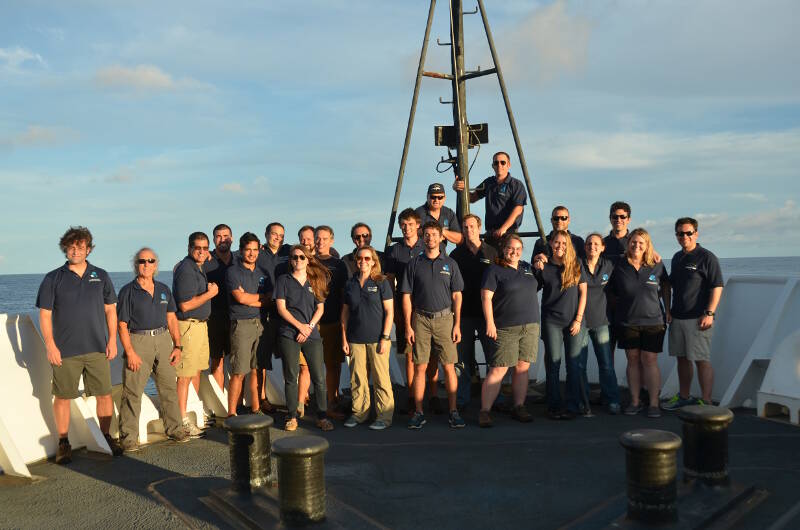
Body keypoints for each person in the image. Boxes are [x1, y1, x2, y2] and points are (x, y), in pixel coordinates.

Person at [36, 226, 123, 463]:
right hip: (65, 351)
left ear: (88, 249)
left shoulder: (101, 275)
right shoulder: (53, 278)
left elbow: (110, 310)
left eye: (81, 247)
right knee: (63, 397)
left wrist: (112, 340)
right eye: (71, 247)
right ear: (65, 248)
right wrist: (50, 345)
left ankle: (105, 436)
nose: (76, 251)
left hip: (97, 348)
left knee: (105, 395)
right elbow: (45, 314)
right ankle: (63, 442)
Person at [117, 248, 189, 452]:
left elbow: (172, 318)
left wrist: (178, 345)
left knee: (168, 387)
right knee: (133, 391)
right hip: (138, 340)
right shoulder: (127, 292)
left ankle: (175, 429)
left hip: (164, 339)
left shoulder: (164, 289)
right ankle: (128, 438)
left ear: (156, 265)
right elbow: (122, 325)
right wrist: (129, 351)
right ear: (135, 265)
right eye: (142, 261)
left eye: (150, 261)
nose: (146, 265)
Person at [400, 221, 465, 429]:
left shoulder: (450, 264)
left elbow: (457, 295)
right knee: (420, 366)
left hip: (446, 320)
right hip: (420, 319)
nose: (430, 238)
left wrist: (457, 324)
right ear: (422, 237)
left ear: (441, 237)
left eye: (434, 235)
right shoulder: (414, 264)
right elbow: (406, 296)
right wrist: (409, 326)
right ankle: (419, 412)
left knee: (449, 367)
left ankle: (453, 412)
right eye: (426, 235)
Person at [608, 228, 670, 418]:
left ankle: (653, 403)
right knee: (633, 360)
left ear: (647, 245)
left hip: (653, 321)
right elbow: (610, 290)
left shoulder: (657, 265)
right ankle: (635, 401)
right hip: (628, 322)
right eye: (633, 242)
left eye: (641, 243)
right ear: (628, 244)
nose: (637, 245)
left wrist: (668, 310)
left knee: (650, 360)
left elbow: (666, 286)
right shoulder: (618, 264)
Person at [662, 218, 723, 410]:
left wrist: (710, 313)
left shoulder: (707, 257)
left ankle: (706, 401)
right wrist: (669, 311)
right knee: (682, 359)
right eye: (680, 233)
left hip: (698, 318)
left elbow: (717, 286)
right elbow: (669, 283)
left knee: (701, 359)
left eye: (688, 233)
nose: (685, 236)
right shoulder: (677, 258)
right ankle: (685, 396)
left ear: (696, 233)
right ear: (676, 236)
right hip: (678, 318)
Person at [479, 234, 540, 427]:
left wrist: (541, 263)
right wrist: (490, 323)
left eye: (518, 248)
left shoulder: (527, 268)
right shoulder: (494, 270)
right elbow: (486, 298)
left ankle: (519, 406)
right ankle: (485, 411)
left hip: (529, 325)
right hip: (505, 327)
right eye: (510, 248)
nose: (514, 252)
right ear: (503, 249)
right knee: (499, 369)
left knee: (522, 368)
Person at [384, 208, 440, 414]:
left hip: (428, 306)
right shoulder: (394, 250)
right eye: (403, 224)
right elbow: (389, 280)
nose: (406, 228)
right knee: (410, 354)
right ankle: (411, 396)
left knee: (433, 354)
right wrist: (395, 309)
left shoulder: (428, 246)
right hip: (404, 305)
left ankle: (433, 395)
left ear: (418, 225)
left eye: (410, 224)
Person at [274, 245, 334, 432]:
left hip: (311, 334)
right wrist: (299, 326)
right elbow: (281, 308)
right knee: (291, 377)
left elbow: (320, 308)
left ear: (308, 259)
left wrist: (308, 328)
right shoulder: (283, 280)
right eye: (294, 257)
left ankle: (322, 416)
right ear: (290, 260)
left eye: (301, 257)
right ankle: (292, 416)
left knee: (318, 377)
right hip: (289, 334)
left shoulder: (316, 280)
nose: (298, 260)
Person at [533, 230, 587, 420]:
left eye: (564, 243)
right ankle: (554, 406)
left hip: (573, 322)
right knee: (553, 365)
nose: (560, 246)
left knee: (573, 365)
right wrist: (536, 265)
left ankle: (573, 405)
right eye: (557, 243)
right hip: (551, 322)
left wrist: (578, 319)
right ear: (551, 244)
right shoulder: (544, 266)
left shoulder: (576, 265)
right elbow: (532, 286)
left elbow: (583, 293)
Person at [341, 246, 395, 429]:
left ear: (373, 261)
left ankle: (384, 416)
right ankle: (359, 413)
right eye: (359, 259)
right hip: (355, 339)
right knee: (357, 379)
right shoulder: (350, 284)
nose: (363, 262)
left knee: (381, 378)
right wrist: (344, 339)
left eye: (367, 258)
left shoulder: (382, 282)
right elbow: (345, 314)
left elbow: (389, 312)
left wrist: (385, 337)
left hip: (377, 338)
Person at [449, 214, 497, 411]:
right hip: (464, 315)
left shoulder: (493, 252)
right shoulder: (455, 255)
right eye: (465, 227)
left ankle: (496, 397)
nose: (469, 230)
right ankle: (462, 399)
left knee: (494, 358)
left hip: (488, 316)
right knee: (462, 361)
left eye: (472, 226)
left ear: (479, 228)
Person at [173, 232, 216, 437]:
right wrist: (210, 294)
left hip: (200, 326)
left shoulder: (198, 266)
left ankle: (193, 413)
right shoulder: (186, 270)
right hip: (188, 326)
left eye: (205, 248)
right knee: (184, 375)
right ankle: (181, 420)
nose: (201, 251)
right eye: (197, 248)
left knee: (197, 370)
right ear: (189, 248)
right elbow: (185, 304)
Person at [225, 232, 271, 417]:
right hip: (241, 324)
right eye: (247, 250)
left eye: (254, 250)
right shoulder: (233, 271)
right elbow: (239, 297)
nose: (251, 254)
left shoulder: (263, 273)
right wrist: (253, 299)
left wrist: (251, 300)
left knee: (257, 368)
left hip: (260, 323)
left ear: (259, 250)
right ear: (242, 250)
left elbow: (269, 300)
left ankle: (255, 408)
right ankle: (231, 413)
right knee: (239, 370)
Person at [580, 233, 621, 415]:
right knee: (579, 364)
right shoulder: (577, 264)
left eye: (596, 244)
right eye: (589, 243)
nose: (592, 246)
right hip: (579, 321)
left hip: (601, 321)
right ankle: (582, 400)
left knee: (606, 363)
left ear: (603, 247)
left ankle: (612, 399)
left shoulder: (609, 266)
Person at [453, 151, 527, 250]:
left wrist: (503, 228)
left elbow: (518, 209)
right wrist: (459, 189)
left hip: (508, 235)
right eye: (496, 163)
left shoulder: (516, 185)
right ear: (493, 166)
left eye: (503, 162)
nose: (499, 165)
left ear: (508, 165)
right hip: (491, 235)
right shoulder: (488, 182)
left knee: (507, 263)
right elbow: (472, 198)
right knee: (487, 262)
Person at [253, 222, 291, 412]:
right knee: (262, 360)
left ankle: (295, 397)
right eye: (274, 234)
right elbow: (238, 256)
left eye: (281, 235)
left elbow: (309, 254)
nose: (277, 237)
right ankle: (261, 398)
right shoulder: (258, 253)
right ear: (266, 234)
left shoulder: (289, 251)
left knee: (289, 358)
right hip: (265, 312)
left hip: (287, 314)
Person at [315, 225, 349, 419]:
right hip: (312, 321)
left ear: (332, 241)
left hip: (333, 320)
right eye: (318, 238)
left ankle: (332, 401)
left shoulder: (339, 264)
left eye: (325, 238)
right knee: (310, 366)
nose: (320, 242)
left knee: (333, 365)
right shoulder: (308, 262)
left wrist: (345, 320)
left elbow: (344, 294)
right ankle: (307, 403)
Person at [205, 224, 234, 391]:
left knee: (238, 361)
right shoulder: (206, 261)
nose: (223, 239)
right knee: (217, 360)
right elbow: (180, 266)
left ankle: (237, 403)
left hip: (236, 316)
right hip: (214, 317)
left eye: (226, 236)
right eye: (218, 236)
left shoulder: (239, 259)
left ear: (232, 238)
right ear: (214, 239)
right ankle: (220, 401)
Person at [415, 183, 462, 252]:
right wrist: (430, 231)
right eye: (433, 197)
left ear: (444, 198)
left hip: (441, 255)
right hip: (421, 254)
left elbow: (459, 239)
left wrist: (442, 231)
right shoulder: (418, 213)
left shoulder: (449, 213)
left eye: (440, 197)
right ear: (427, 197)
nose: (436, 200)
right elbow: (410, 233)